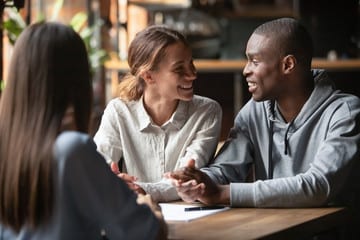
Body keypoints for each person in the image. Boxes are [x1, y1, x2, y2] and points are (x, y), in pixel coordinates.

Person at [167, 18, 360, 238]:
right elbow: (227, 168)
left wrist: (223, 194)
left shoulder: (345, 112)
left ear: (288, 65)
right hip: (274, 230)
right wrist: (199, 182)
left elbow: (317, 186)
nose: (245, 71)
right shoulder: (255, 111)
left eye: (254, 61)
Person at [0, 22, 167, 240]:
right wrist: (148, 207)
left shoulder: (8, 149)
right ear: (77, 81)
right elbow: (147, 234)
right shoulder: (71, 149)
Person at [93, 25, 222, 202]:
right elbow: (98, 170)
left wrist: (135, 189)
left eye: (191, 63)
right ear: (148, 76)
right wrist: (112, 181)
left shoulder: (207, 112)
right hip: (134, 217)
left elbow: (185, 180)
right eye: (179, 69)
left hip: (190, 219)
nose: (192, 74)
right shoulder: (118, 112)